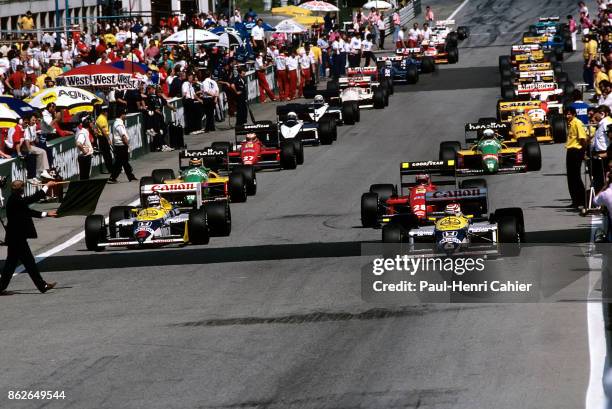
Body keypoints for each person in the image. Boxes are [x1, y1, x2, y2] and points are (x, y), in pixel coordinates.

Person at [0, 180, 58, 295]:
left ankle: (1, 287)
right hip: (17, 239)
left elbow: (28, 211)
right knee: (29, 262)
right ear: (20, 189)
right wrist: (46, 187)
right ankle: (42, 285)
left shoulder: (16, 199)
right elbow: (31, 199)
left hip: (15, 238)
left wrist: (46, 214)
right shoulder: (15, 200)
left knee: (10, 264)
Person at [565, 106, 588, 208]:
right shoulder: (570, 123)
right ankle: (575, 200)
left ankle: (583, 200)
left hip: (577, 150)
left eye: (569, 114)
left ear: (574, 114)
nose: (567, 116)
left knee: (576, 176)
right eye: (566, 114)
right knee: (570, 177)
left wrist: (583, 152)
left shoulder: (577, 123)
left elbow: (583, 139)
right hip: (570, 150)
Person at [108, 109, 137, 183]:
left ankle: (130, 176)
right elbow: (123, 136)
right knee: (120, 163)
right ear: (122, 115)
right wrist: (128, 145)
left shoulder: (117, 122)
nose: (126, 115)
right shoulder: (119, 124)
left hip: (120, 145)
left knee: (123, 162)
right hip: (121, 146)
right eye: (125, 114)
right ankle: (112, 178)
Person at [590, 105, 612, 192]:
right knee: (599, 178)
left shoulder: (606, 123)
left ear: (602, 114)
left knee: (604, 178)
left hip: (605, 153)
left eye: (597, 115)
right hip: (599, 153)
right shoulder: (601, 124)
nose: (594, 117)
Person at [95, 106, 114, 173]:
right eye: (106, 111)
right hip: (103, 138)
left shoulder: (102, 117)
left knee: (107, 154)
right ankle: (111, 169)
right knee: (107, 155)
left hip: (103, 138)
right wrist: (108, 139)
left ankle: (111, 168)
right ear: (103, 112)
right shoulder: (101, 119)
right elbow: (103, 131)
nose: (107, 112)